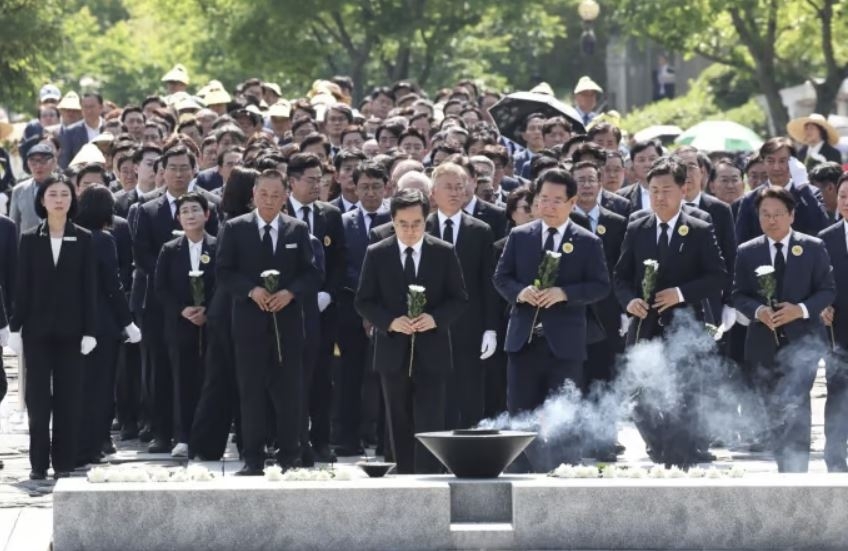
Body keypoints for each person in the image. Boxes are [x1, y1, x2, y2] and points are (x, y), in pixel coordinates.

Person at [494, 167, 610, 469]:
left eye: (557, 200)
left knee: (564, 417)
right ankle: (519, 476)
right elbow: (501, 278)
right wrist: (521, 293)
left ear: (572, 202)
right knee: (520, 415)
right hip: (524, 341)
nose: (548, 206)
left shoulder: (587, 241)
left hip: (565, 345)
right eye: (543, 199)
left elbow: (600, 286)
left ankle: (564, 476)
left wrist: (565, 293)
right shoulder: (520, 236)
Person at [614, 157, 726, 467]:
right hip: (644, 328)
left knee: (684, 395)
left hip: (684, 327)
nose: (660, 198)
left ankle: (680, 456)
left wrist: (679, 293)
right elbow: (620, 276)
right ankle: (659, 446)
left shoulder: (699, 228)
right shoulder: (638, 227)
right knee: (640, 396)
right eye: (654, 191)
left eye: (666, 190)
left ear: (683, 189)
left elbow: (717, 276)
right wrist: (629, 301)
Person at [355, 188, 468, 474]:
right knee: (398, 419)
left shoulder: (443, 252)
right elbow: (363, 300)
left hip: (433, 350)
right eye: (403, 223)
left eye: (416, 223)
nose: (409, 230)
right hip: (392, 350)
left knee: (430, 420)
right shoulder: (377, 253)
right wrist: (390, 322)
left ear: (425, 221)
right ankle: (402, 478)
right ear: (392, 221)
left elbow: (459, 299)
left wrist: (435, 318)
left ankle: (430, 477)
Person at [217, 169, 320, 475]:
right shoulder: (235, 228)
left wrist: (291, 292)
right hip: (249, 324)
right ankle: (253, 457)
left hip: (287, 324)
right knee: (251, 393)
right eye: (264, 194)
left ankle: (290, 455)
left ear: (285, 195)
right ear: (254, 195)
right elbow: (223, 271)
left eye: (276, 195)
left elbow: (312, 273)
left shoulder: (297, 229)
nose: (270, 200)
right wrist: (251, 290)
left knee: (290, 393)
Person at [732, 186, 835, 473]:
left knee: (797, 404)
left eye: (778, 214)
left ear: (791, 215)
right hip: (763, 344)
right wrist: (758, 311)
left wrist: (799, 310)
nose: (772, 220)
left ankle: (797, 472)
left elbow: (827, 290)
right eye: (765, 214)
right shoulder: (748, 251)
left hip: (803, 342)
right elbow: (738, 294)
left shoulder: (812, 246)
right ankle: (783, 466)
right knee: (773, 408)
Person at [9, 176, 98, 480]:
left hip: (73, 333)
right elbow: (23, 287)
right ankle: (37, 463)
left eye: (64, 194)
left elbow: (90, 288)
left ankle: (64, 462)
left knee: (68, 399)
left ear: (72, 200)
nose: (59, 200)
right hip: (37, 331)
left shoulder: (84, 238)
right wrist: (15, 327)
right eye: (52, 194)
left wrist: (90, 330)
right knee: (37, 399)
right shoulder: (30, 238)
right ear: (42, 201)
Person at [427, 162, 498, 429]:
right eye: (448, 187)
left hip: (470, 325)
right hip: (432, 324)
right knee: (435, 392)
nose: (455, 193)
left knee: (469, 392)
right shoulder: (421, 227)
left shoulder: (480, 230)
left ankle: (471, 448)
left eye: (460, 187)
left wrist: (490, 328)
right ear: (433, 192)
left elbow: (487, 283)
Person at [285, 152, 346, 464]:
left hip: (322, 312)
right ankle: (291, 440)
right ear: (292, 181)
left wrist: (328, 293)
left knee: (322, 378)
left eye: (320, 180)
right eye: (310, 180)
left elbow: (339, 263)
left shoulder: (329, 214)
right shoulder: (278, 212)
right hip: (287, 310)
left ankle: (321, 440)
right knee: (289, 378)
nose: (317, 186)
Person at [73, 185, 140, 466]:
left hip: (73, 323)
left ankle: (74, 444)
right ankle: (93, 445)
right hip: (102, 325)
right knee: (101, 389)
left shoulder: (71, 236)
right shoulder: (104, 240)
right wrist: (128, 321)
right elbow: (113, 286)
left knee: (77, 387)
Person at [335, 161, 391, 456]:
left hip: (388, 311)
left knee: (387, 377)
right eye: (364, 187)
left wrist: (377, 307)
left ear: (387, 188)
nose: (370, 192)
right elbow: (341, 267)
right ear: (354, 188)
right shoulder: (343, 222)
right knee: (349, 378)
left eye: (376, 186)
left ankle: (386, 439)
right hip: (351, 311)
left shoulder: (397, 220)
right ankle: (348, 439)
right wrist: (364, 304)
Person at [155, 192, 216, 458]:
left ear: (207, 214)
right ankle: (182, 436)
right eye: (185, 211)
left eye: (195, 210)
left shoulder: (218, 245)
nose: (190, 215)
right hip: (180, 325)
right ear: (178, 218)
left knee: (211, 379)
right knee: (182, 380)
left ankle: (210, 436)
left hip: (212, 324)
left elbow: (224, 282)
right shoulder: (169, 249)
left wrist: (209, 310)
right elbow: (161, 288)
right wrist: (182, 310)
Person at [735, 137, 829, 244]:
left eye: (782, 161)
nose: (776, 167)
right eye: (770, 161)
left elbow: (822, 225)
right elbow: (742, 241)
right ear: (763, 162)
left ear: (793, 162)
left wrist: (803, 187)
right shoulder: (750, 199)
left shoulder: (810, 193)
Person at [819, 172, 848, 472]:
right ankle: (835, 457)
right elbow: (816, 284)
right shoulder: (824, 240)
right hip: (839, 330)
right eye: (842, 196)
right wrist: (821, 307)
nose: (847, 202)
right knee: (838, 392)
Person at [11, 143, 58, 235]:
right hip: (27, 246)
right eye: (33, 161)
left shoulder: (64, 187)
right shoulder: (19, 190)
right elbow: (13, 225)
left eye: (43, 161)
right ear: (28, 164)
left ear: (54, 162)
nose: (38, 166)